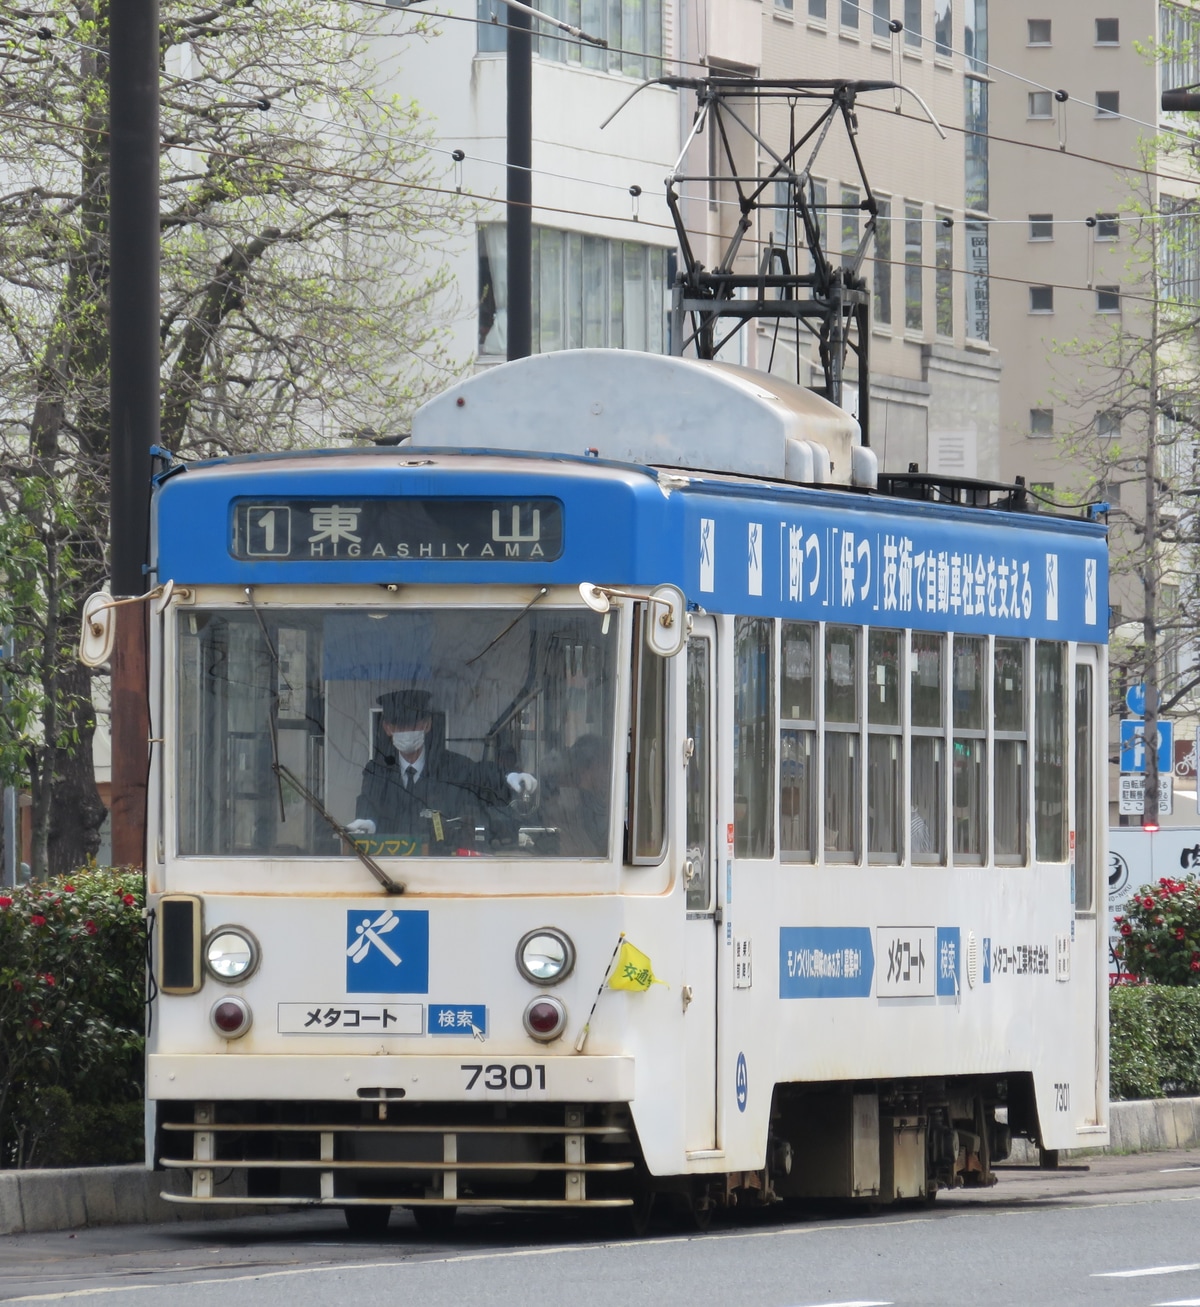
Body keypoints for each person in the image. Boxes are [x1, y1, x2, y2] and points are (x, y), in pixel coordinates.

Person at [345, 690, 537, 850]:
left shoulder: (449, 765)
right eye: (399, 725)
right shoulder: (377, 771)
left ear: (426, 725)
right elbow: (368, 801)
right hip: (392, 870)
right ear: (387, 728)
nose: (407, 731)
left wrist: (510, 777)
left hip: (442, 869)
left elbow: (480, 775)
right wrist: (367, 822)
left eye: (413, 724)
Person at [539, 735, 610, 856]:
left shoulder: (577, 802)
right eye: (605, 765)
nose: (608, 773)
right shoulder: (584, 808)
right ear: (591, 766)